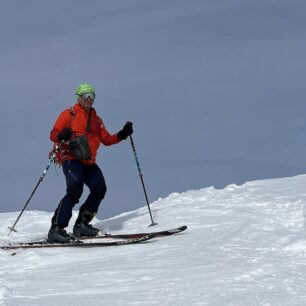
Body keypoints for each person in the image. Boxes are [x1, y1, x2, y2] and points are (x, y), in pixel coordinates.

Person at [48, 83, 133, 243]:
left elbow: (107, 140)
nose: (89, 99)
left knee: (99, 188)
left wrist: (122, 134)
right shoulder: (69, 114)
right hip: (71, 158)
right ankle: (56, 229)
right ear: (79, 97)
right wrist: (61, 135)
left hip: (88, 161)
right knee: (75, 189)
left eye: (92, 96)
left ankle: (82, 225)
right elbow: (53, 134)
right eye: (86, 95)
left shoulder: (96, 119)